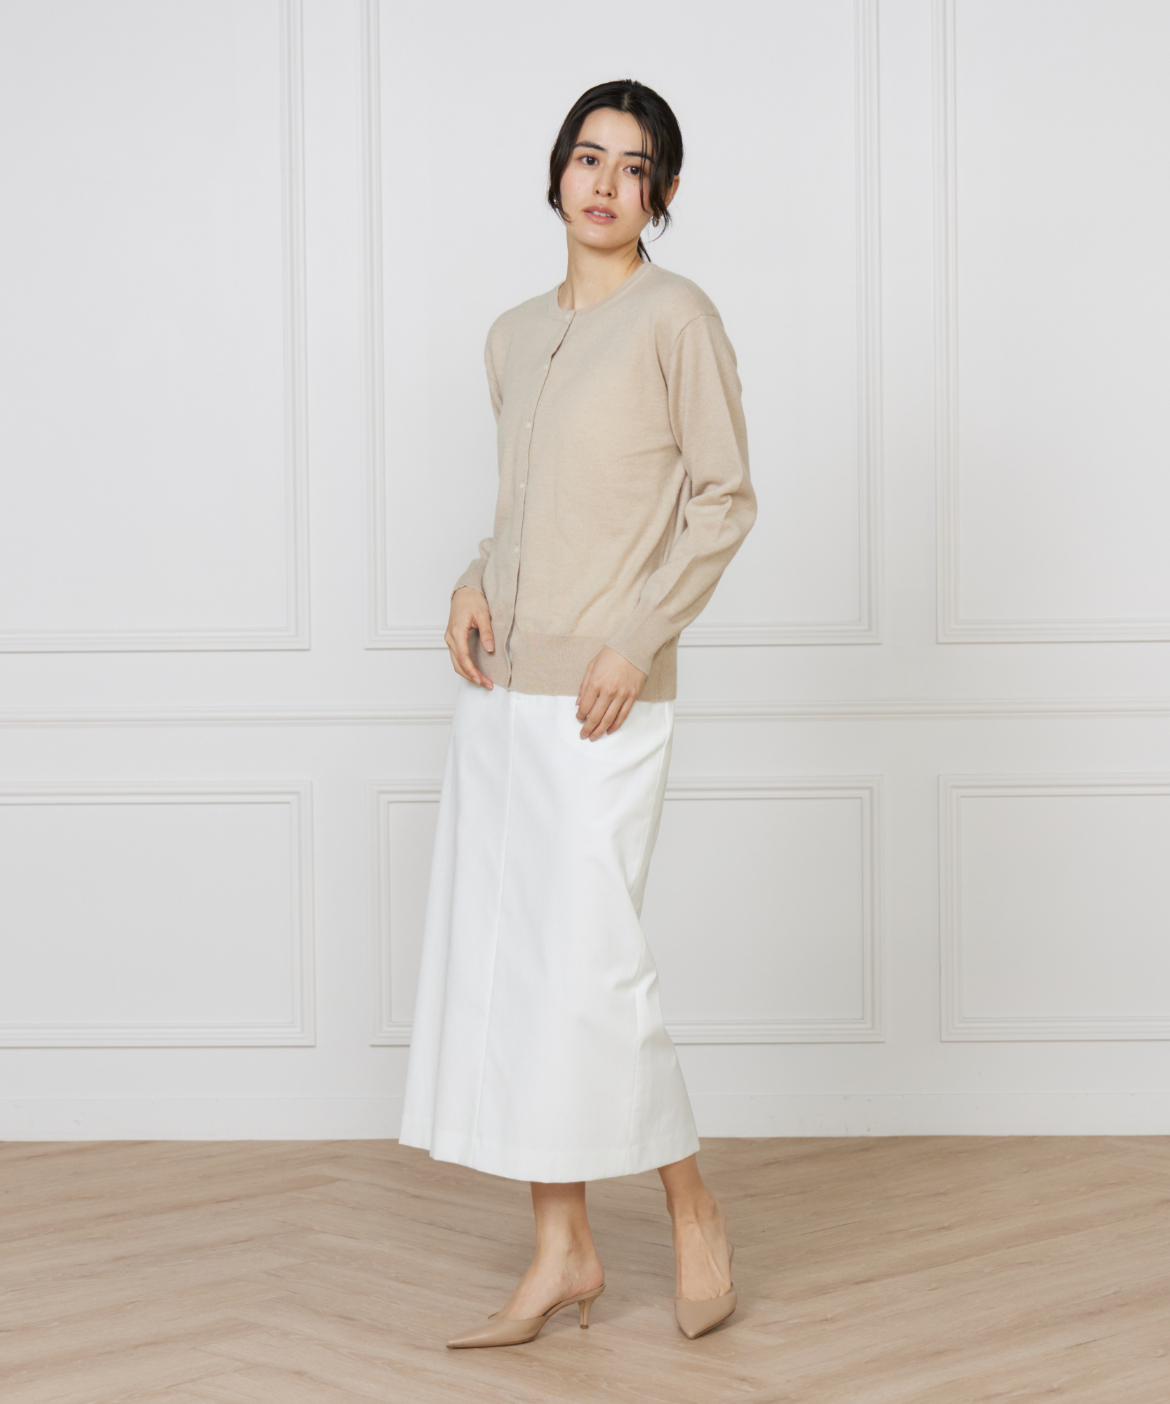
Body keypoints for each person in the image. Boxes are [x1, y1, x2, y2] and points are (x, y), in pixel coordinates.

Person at [398, 77, 757, 1348]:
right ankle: (563, 1250)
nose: (606, 183)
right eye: (588, 157)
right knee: (524, 973)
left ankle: (693, 1206)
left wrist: (636, 640)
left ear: (664, 192)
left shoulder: (677, 318)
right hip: (500, 692)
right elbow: (525, 508)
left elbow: (723, 499)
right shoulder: (511, 336)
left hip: (606, 698)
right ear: (557, 172)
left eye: (634, 164)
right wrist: (470, 577)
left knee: (594, 966)